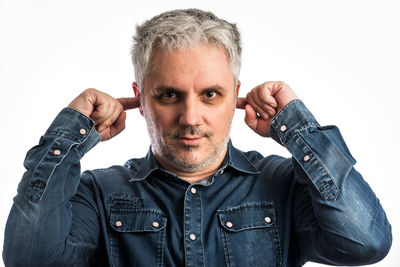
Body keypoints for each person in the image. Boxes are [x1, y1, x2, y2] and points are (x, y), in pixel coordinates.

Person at [3, 8, 392, 267]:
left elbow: (367, 242)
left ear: (235, 94)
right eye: (169, 95)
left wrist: (297, 129)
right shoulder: (100, 193)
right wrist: (70, 133)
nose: (191, 118)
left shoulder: (283, 185)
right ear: (140, 99)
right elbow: (29, 258)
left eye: (210, 94)